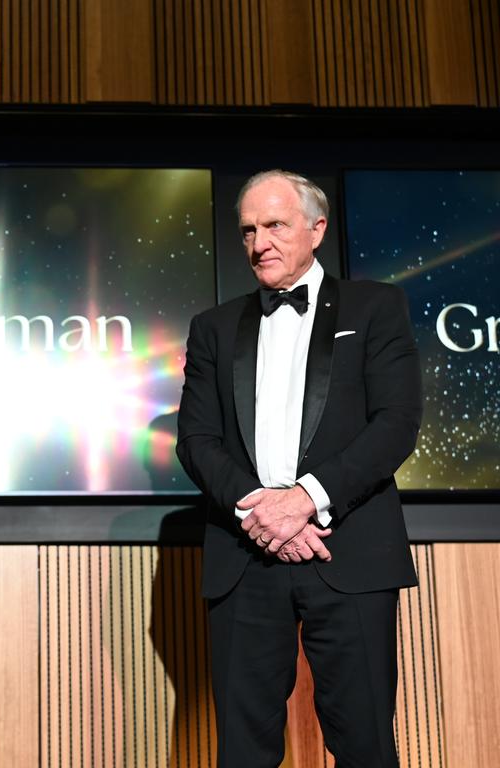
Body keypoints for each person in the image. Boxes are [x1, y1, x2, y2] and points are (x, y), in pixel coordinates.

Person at [176, 170, 421, 767]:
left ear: (316, 229)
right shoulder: (213, 327)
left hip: (348, 550)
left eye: (275, 225)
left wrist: (304, 501)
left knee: (364, 740)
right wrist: (262, 511)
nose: (259, 241)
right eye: (249, 230)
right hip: (245, 556)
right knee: (243, 749)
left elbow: (395, 423)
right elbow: (196, 440)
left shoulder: (376, 306)